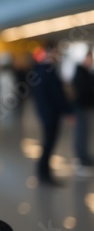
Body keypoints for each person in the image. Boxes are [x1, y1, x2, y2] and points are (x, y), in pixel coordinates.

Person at [30, 41, 73, 185]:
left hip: (45, 113)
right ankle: (44, 174)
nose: (58, 55)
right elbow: (57, 95)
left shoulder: (38, 70)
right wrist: (68, 111)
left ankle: (44, 172)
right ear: (50, 52)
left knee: (47, 144)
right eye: (56, 52)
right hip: (51, 115)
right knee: (49, 144)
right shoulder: (48, 70)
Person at [71, 47, 94, 175]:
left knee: (86, 133)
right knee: (80, 133)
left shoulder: (89, 73)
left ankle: (85, 155)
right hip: (80, 107)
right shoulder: (80, 72)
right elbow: (81, 90)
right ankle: (81, 157)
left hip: (88, 107)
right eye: (89, 59)